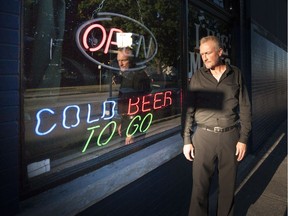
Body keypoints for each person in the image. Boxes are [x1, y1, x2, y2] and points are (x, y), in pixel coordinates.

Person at [183, 36, 251, 216]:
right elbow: (189, 110)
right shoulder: (197, 77)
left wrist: (243, 139)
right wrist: (187, 140)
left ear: (220, 52)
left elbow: (245, 107)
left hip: (230, 137)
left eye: (208, 53)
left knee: (228, 189)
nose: (204, 57)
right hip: (203, 137)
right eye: (202, 53)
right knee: (199, 189)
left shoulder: (235, 74)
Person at [116, 47, 151, 144]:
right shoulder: (126, 75)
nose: (120, 64)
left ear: (131, 61)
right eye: (119, 60)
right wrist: (122, 124)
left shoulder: (139, 76)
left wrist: (131, 132)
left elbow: (140, 106)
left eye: (123, 60)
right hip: (127, 122)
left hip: (135, 124)